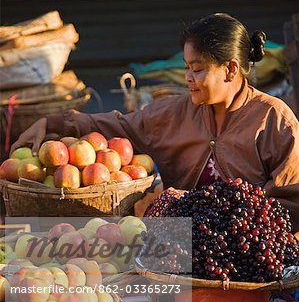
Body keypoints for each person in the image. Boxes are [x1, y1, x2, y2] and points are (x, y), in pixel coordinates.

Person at [10, 13, 299, 231]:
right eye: (186, 68)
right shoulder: (172, 113)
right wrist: (53, 123)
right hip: (177, 244)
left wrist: (239, 220)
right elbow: (119, 126)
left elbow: (291, 201)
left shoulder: (273, 119)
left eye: (197, 69)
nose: (188, 78)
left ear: (231, 69)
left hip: (244, 248)